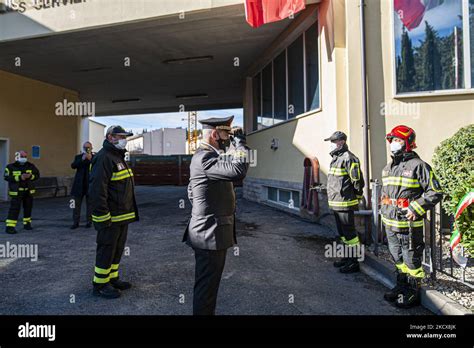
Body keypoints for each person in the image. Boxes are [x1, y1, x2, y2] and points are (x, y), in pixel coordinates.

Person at [183, 116, 249, 315]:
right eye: (226, 134)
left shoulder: (209, 156)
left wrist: (203, 209)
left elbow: (191, 191)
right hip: (208, 235)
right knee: (207, 288)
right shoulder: (204, 157)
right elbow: (238, 170)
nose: (229, 138)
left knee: (209, 285)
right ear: (214, 134)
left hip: (210, 231)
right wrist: (241, 144)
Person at [381, 125, 442, 308]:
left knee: (411, 259)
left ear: (408, 143)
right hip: (390, 222)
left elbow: (436, 192)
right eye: (392, 140)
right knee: (397, 258)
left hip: (408, 224)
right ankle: (401, 286)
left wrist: (416, 208)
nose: (394, 144)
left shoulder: (419, 166)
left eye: (398, 140)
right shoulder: (389, 167)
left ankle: (413, 293)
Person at [89, 126, 139, 299]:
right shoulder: (103, 158)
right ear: (110, 137)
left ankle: (112, 278)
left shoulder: (117, 157)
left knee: (117, 249)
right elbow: (97, 190)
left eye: (125, 136)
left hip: (121, 216)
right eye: (121, 136)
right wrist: (102, 217)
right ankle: (100, 285)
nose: (124, 139)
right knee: (106, 249)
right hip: (109, 217)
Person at [324, 131, 365, 273]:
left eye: (333, 142)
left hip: (345, 203)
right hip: (336, 203)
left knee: (350, 235)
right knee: (343, 234)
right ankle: (347, 258)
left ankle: (354, 262)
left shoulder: (349, 158)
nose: (331, 146)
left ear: (340, 142)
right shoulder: (336, 158)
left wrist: (357, 198)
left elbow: (358, 181)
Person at [4, 150, 40, 234]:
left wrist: (31, 176)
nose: (23, 158)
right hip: (17, 192)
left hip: (28, 191)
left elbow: (37, 175)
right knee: (14, 209)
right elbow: (6, 177)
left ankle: (27, 224)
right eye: (22, 156)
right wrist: (20, 177)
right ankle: (10, 227)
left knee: (28, 208)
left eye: (25, 157)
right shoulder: (10, 167)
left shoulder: (31, 166)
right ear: (17, 157)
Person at [70, 141, 95, 229]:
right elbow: (73, 166)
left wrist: (91, 159)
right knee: (75, 205)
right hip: (79, 185)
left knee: (90, 205)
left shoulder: (95, 157)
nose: (87, 149)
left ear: (91, 148)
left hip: (90, 185)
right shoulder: (78, 157)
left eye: (88, 147)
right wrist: (82, 159)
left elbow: (98, 167)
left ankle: (89, 222)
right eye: (85, 147)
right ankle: (75, 222)